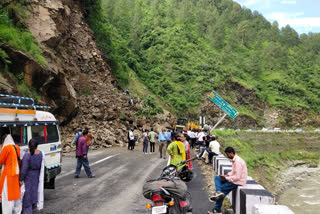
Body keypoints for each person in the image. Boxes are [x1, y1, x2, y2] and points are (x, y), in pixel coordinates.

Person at [208, 147, 248, 214]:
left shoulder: (237, 162)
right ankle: (218, 192)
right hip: (234, 179)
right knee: (217, 178)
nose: (227, 156)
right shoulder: (235, 160)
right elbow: (233, 172)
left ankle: (217, 210)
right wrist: (227, 175)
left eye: (227, 154)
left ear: (231, 153)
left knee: (222, 190)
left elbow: (237, 177)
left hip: (238, 182)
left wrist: (226, 178)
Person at [19, 139, 45, 213]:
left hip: (28, 177)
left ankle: (27, 211)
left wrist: (21, 179)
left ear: (28, 145)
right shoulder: (40, 154)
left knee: (27, 196)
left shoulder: (27, 155)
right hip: (37, 176)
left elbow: (24, 169)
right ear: (37, 145)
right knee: (34, 192)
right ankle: (32, 208)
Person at [0, 134, 22, 214]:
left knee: (7, 196)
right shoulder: (17, 147)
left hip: (8, 176)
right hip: (16, 175)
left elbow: (1, 161)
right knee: (15, 195)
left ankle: (7, 212)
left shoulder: (6, 148)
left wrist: (1, 149)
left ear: (3, 141)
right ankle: (17, 211)